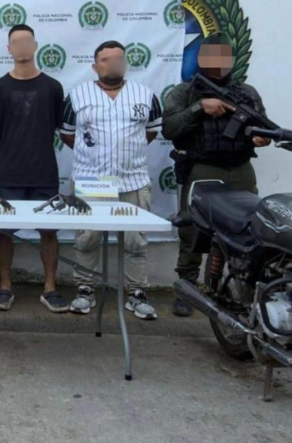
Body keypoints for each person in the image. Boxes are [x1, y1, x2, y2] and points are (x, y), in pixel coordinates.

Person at [162, 33, 271, 317]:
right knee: (193, 230)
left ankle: (234, 288)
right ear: (202, 59)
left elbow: (261, 127)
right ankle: (186, 286)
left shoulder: (247, 92)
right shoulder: (184, 92)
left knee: (247, 229)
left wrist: (261, 138)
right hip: (203, 168)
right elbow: (170, 129)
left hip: (241, 169)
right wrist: (200, 107)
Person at [60, 41, 162, 320]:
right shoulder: (77, 96)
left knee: (135, 241)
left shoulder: (145, 95)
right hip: (90, 182)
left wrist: (126, 153)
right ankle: (85, 289)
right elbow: (67, 134)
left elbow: (151, 131)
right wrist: (94, 156)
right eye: (106, 59)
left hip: (133, 181)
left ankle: (137, 294)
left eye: (119, 58)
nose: (114, 63)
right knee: (87, 238)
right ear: (95, 66)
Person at [0, 24, 67, 313]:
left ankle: (50, 288)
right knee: (4, 232)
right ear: (9, 49)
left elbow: (57, 128)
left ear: (35, 46)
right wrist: (13, 155)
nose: (21, 46)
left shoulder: (53, 87)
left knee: (49, 232)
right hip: (9, 173)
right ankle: (4, 287)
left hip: (45, 173)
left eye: (26, 41)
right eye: (16, 42)